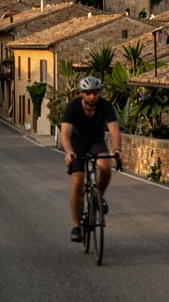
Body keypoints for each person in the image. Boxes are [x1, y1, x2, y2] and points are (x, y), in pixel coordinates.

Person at [61, 76, 122, 242]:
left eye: (95, 93)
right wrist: (68, 152)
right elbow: (65, 133)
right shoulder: (72, 107)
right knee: (78, 181)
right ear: (81, 94)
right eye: (88, 93)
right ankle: (76, 226)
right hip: (77, 145)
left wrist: (117, 149)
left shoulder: (105, 106)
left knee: (105, 167)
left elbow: (114, 130)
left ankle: (98, 198)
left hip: (96, 142)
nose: (91, 97)